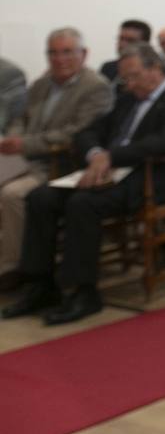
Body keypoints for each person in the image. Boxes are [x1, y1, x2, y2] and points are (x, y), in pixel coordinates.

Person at [4, 44, 165, 324]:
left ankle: (84, 292)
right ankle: (41, 285)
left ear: (154, 70)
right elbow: (88, 132)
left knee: (83, 204)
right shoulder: (127, 98)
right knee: (40, 197)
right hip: (104, 172)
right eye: (124, 78)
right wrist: (95, 154)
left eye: (133, 76)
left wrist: (110, 156)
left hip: (146, 179)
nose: (128, 84)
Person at [0, 28, 114, 292]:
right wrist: (14, 140)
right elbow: (20, 119)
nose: (59, 59)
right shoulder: (42, 84)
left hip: (62, 164)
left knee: (12, 194)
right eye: (52, 53)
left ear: (83, 54)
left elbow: (77, 133)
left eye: (66, 52)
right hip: (25, 158)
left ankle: (13, 268)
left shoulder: (95, 87)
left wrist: (24, 144)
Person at [98, 19, 152, 83]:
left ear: (145, 44)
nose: (122, 44)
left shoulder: (153, 70)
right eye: (121, 39)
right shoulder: (108, 68)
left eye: (130, 40)